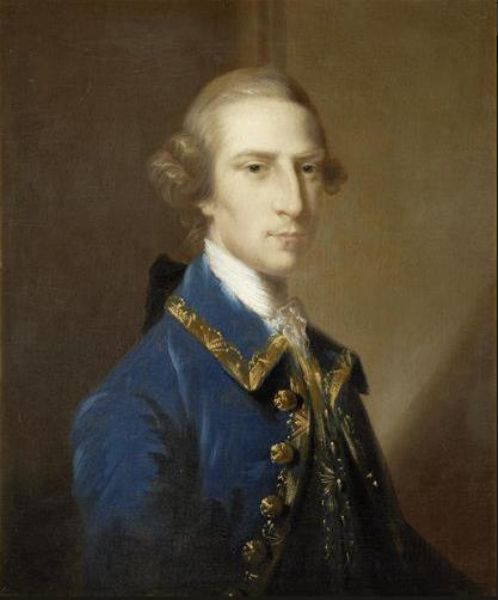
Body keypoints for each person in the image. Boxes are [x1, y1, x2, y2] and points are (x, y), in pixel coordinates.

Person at [71, 67, 477, 596]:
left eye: (307, 168)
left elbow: (384, 550)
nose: (295, 202)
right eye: (256, 168)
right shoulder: (138, 401)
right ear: (202, 190)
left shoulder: (324, 365)